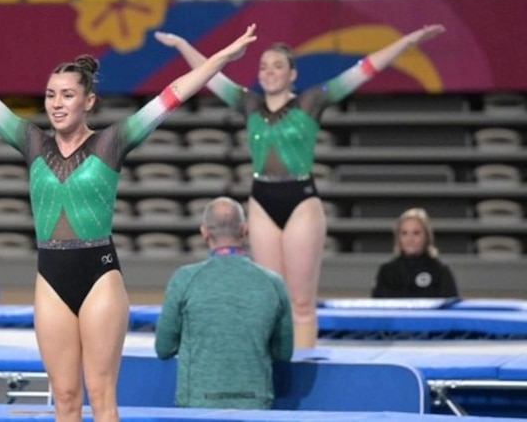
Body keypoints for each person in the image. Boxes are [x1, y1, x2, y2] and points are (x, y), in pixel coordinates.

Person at [0, 13, 257, 422]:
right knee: (65, 397)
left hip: (100, 276)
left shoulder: (113, 142)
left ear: (88, 101)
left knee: (102, 397)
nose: (57, 104)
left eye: (67, 95)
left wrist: (222, 57)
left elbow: (173, 93)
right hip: (51, 277)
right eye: (50, 95)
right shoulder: (30, 142)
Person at [154, 24, 446, 348]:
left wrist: (406, 41)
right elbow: (209, 73)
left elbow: (364, 69)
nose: (270, 72)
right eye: (263, 66)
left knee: (301, 304)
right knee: (271, 299)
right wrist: (182, 43)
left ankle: (304, 366)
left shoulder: (311, 101)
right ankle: (274, 369)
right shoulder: (249, 103)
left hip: (301, 201)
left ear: (293, 74)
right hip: (261, 200)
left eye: (278, 66)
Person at [154, 196, 293, 410]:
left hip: (197, 406)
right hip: (254, 405)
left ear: (204, 233)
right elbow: (283, 353)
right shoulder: (273, 283)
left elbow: (164, 348)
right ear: (245, 230)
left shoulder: (184, 280)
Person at [371, 208, 459, 298]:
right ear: (398, 238)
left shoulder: (440, 271)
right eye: (404, 233)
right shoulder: (386, 272)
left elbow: (450, 308)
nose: (410, 239)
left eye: (416, 233)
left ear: (427, 237)